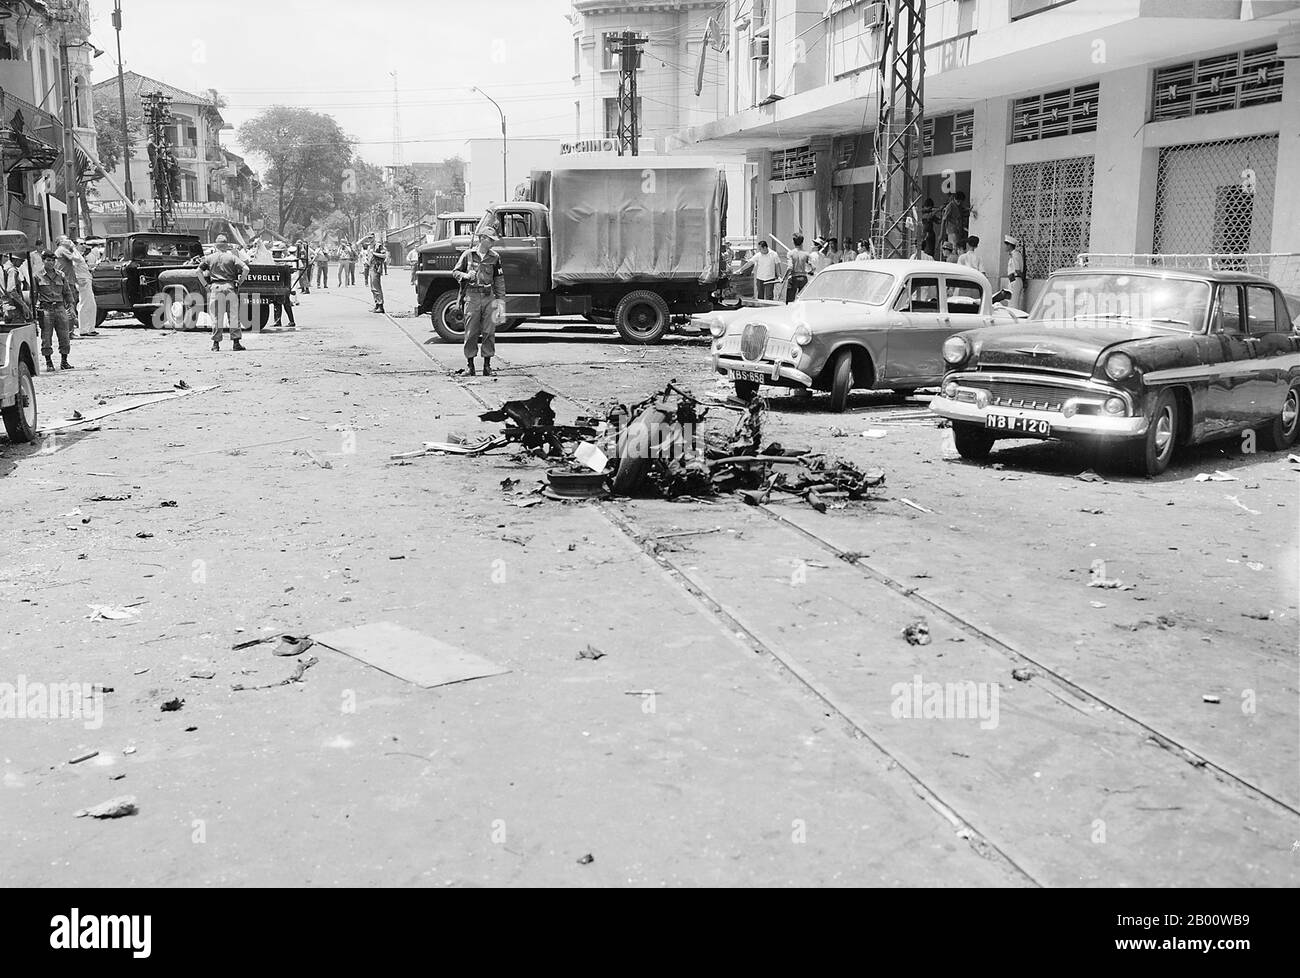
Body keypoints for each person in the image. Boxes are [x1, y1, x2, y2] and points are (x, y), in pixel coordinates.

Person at [453, 224, 506, 376]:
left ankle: (487, 367)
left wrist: (500, 303)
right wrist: (465, 275)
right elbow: (455, 272)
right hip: (472, 296)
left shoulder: (495, 257)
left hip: (489, 297)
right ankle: (470, 366)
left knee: (489, 331)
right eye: (490, 239)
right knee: (471, 332)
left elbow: (499, 281)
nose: (493, 242)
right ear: (482, 239)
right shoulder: (468, 255)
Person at [198, 234, 249, 352]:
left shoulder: (209, 258)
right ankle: (236, 343)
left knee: (216, 317)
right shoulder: (232, 258)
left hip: (215, 288)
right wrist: (240, 281)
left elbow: (198, 271)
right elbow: (246, 269)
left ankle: (216, 344)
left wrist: (206, 285)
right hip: (230, 287)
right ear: (226, 246)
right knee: (234, 316)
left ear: (216, 246)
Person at [35, 250, 76, 371]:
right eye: (48, 260)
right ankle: (49, 362)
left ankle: (64, 361)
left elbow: (67, 292)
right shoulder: (37, 276)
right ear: (43, 261)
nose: (51, 263)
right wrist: (33, 311)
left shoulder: (61, 275)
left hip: (60, 308)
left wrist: (71, 307)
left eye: (53, 260)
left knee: (64, 336)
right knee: (46, 337)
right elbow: (34, 295)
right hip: (46, 309)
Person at [56, 236, 98, 337]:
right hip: (81, 279)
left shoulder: (76, 253)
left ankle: (89, 327)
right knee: (83, 304)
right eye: (81, 244)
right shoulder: (70, 252)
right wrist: (73, 247)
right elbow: (75, 264)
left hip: (84, 278)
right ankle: (83, 329)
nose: (84, 246)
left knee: (90, 304)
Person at [940, 191, 969, 256]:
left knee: (957, 247)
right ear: (956, 199)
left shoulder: (958, 206)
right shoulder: (950, 206)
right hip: (952, 231)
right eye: (959, 201)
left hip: (958, 230)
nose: (960, 203)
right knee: (954, 247)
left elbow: (962, 210)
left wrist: (968, 210)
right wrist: (941, 234)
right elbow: (944, 220)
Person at [786, 234, 812, 303]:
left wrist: (784, 278)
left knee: (790, 302)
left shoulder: (790, 253)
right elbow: (813, 267)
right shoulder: (806, 254)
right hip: (803, 278)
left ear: (793, 242)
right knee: (802, 301)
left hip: (793, 278)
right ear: (802, 242)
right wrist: (810, 272)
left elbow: (790, 267)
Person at [1002, 235, 1025, 311]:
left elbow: (1017, 270)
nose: (1005, 247)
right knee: (1011, 302)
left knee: (1013, 303)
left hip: (1015, 280)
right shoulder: (1014, 255)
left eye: (1006, 245)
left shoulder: (1015, 255)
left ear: (1009, 245)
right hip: (1014, 280)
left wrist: (1022, 279)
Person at [368, 241, 388, 313]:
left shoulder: (378, 246)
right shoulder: (370, 246)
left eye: (371, 238)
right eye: (368, 238)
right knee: (373, 288)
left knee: (376, 287)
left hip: (376, 267)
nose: (369, 239)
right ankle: (377, 304)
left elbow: (384, 256)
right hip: (371, 267)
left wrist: (374, 253)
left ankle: (380, 306)